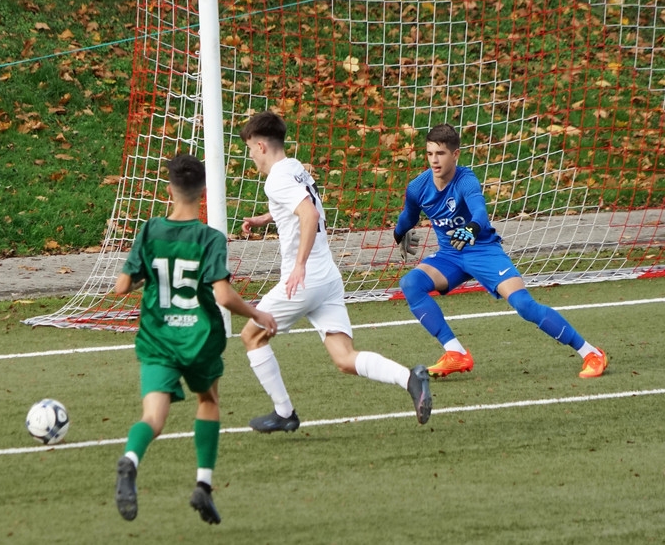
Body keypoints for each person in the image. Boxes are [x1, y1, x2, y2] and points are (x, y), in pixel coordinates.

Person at [238, 110, 432, 434]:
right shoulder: (295, 168)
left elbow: (309, 215)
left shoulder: (277, 179)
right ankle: (410, 379)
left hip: (305, 279)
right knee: (344, 358)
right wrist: (264, 219)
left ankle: (284, 412)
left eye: (249, 150)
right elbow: (303, 204)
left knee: (251, 335)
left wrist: (299, 266)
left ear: (260, 146)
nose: (251, 158)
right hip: (327, 277)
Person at [113, 154, 278, 525]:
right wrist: (257, 313)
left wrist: (149, 277)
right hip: (199, 338)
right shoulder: (209, 238)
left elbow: (122, 286)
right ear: (203, 192)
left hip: (158, 338)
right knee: (208, 399)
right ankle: (203, 484)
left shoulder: (150, 230)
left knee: (153, 418)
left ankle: (131, 459)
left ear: (169, 190)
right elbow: (223, 296)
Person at [393, 123, 608, 379]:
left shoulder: (466, 180)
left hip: (483, 251)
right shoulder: (418, 187)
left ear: (455, 154)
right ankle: (455, 353)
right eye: (430, 153)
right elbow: (408, 217)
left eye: (440, 153)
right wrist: (398, 234)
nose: (434, 160)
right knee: (411, 283)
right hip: (451, 255)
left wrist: (471, 229)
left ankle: (591, 353)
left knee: (523, 305)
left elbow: (480, 213)